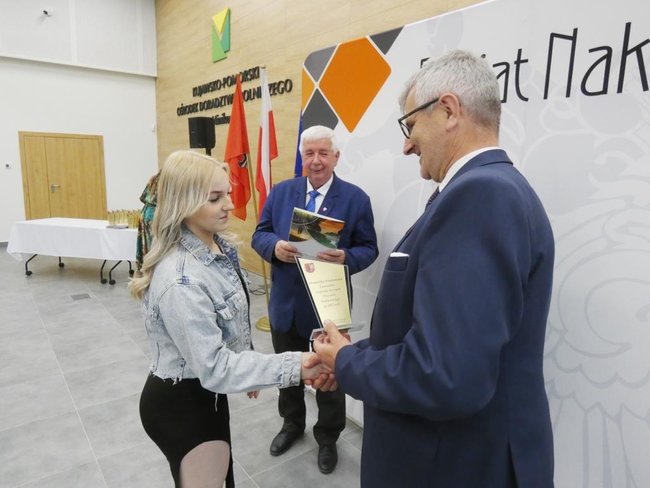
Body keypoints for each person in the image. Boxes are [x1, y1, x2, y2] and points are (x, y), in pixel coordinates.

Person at [310, 50, 555, 487]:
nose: (407, 144)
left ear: (448, 110)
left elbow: (444, 375)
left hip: (453, 465)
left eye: (410, 126)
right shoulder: (489, 189)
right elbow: (440, 341)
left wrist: (347, 362)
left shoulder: (481, 196)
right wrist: (353, 355)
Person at [128, 150, 331, 488]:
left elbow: (228, 324)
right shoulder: (181, 280)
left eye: (227, 193)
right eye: (215, 198)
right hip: (183, 404)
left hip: (207, 393)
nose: (229, 205)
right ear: (184, 203)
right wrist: (298, 366)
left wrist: (247, 365)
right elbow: (215, 368)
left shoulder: (218, 247)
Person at [251, 125, 378, 474]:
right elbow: (260, 234)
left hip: (327, 310)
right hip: (285, 306)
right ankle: (292, 424)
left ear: (336, 157)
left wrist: (347, 257)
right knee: (287, 372)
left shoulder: (356, 199)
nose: (316, 160)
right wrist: (274, 247)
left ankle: (328, 438)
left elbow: (369, 248)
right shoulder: (281, 192)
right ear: (302, 157)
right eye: (309, 153)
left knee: (330, 378)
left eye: (323, 153)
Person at [135, 170, 159, 273]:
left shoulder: (153, 179)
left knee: (146, 242)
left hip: (145, 212)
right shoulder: (167, 181)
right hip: (155, 214)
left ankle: (145, 268)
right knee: (154, 244)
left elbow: (142, 198)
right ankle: (151, 270)